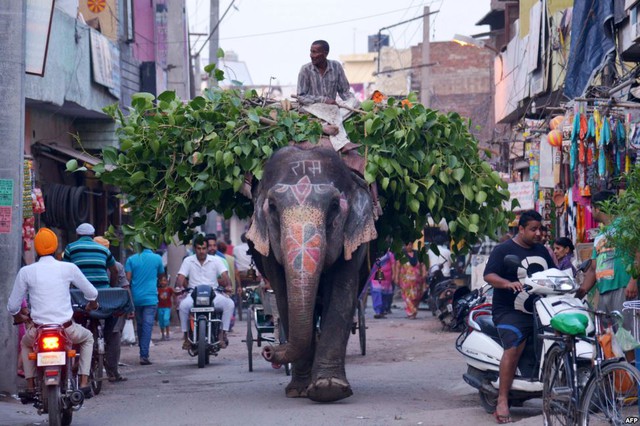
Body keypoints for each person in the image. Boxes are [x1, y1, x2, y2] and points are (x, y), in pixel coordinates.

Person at [483, 210, 556, 424]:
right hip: (509, 311)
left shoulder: (542, 250)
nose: (537, 233)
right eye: (533, 229)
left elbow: (553, 274)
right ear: (521, 229)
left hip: (540, 311)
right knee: (514, 345)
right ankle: (502, 400)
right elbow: (489, 275)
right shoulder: (503, 250)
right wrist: (506, 283)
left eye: (539, 229)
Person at [7, 228, 98, 399]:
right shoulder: (68, 268)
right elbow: (92, 293)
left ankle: (30, 385)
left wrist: (18, 316)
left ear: (36, 248)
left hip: (38, 331)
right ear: (56, 247)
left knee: (26, 345)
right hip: (66, 329)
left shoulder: (26, 271)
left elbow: (12, 306)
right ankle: (84, 383)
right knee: (88, 338)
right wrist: (92, 304)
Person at [576, 190, 638, 332]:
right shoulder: (601, 235)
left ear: (597, 208)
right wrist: (582, 290)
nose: (591, 212)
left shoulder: (625, 226)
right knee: (608, 338)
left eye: (591, 208)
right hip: (604, 290)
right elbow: (593, 268)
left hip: (624, 287)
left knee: (628, 336)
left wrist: (633, 281)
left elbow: (638, 253)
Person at [175, 235, 234, 349]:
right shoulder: (188, 260)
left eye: (203, 248)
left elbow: (224, 275)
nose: (201, 251)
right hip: (193, 294)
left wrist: (228, 285)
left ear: (207, 249)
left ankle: (223, 334)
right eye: (198, 248)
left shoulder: (216, 260)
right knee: (183, 306)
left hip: (213, 293)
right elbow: (181, 277)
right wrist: (178, 287)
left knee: (229, 304)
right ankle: (186, 337)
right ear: (194, 249)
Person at [93, 236, 129, 382]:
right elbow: (125, 288)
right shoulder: (117, 266)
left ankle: (90, 371)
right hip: (112, 307)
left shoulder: (85, 265)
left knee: (91, 336)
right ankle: (112, 372)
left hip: (93, 306)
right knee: (114, 337)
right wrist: (128, 307)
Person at [125, 246, 165, 365]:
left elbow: (127, 279)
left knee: (140, 325)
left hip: (136, 298)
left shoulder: (131, 259)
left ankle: (142, 351)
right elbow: (161, 275)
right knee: (147, 326)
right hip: (150, 298)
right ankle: (144, 355)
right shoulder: (157, 258)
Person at [296, 40, 355, 106]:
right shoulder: (305, 70)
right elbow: (301, 96)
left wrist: (353, 103)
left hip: (330, 111)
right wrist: (322, 100)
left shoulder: (336, 66)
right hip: (310, 111)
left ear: (325, 53)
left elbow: (344, 92)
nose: (311, 55)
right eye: (311, 52)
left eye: (314, 52)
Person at [394, 241, 427, 319]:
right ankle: (411, 312)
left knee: (417, 296)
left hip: (418, 280)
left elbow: (423, 264)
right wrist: (396, 277)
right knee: (407, 296)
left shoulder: (418, 254)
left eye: (410, 244)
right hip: (405, 281)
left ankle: (414, 311)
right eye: (407, 245)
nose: (409, 246)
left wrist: (424, 273)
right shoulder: (401, 255)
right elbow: (398, 266)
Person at [367, 249, 395, 319]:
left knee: (384, 295)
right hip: (378, 273)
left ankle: (381, 311)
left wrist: (394, 274)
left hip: (386, 277)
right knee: (377, 292)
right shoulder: (374, 251)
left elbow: (393, 264)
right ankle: (378, 311)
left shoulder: (389, 254)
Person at [157, 275, 173, 341]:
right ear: (159, 282)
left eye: (164, 280)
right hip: (160, 307)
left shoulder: (169, 289)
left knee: (166, 319)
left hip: (167, 307)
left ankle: (168, 334)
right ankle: (163, 335)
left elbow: (174, 294)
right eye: (161, 281)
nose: (163, 282)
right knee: (161, 321)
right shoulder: (158, 290)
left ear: (167, 281)